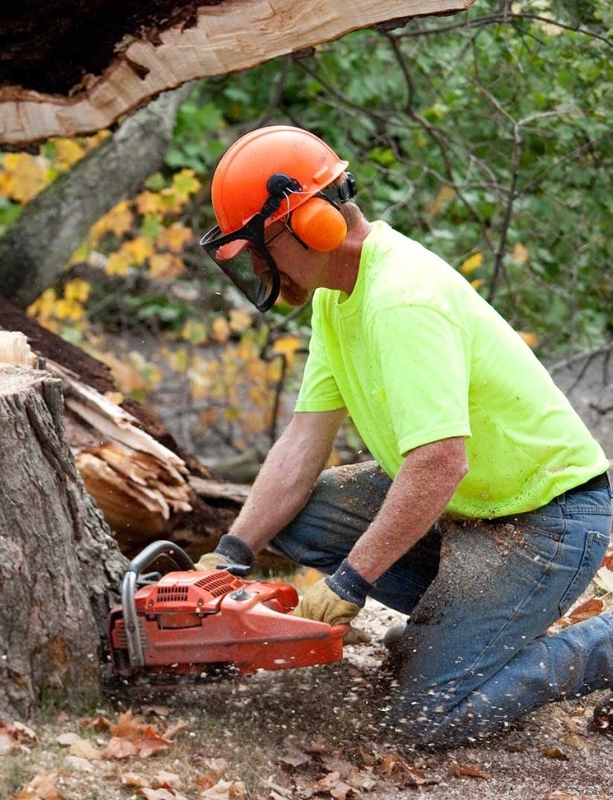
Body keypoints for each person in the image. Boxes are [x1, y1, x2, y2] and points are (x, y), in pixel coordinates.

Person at [194, 125, 613, 748]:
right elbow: (301, 444)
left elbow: (440, 463)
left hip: (544, 517)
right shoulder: (337, 296)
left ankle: (596, 646)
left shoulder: (402, 300)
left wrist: (349, 583)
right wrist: (230, 552)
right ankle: (462, 630)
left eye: (259, 247)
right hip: (470, 505)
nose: (257, 266)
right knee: (295, 517)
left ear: (312, 224)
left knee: (420, 718)